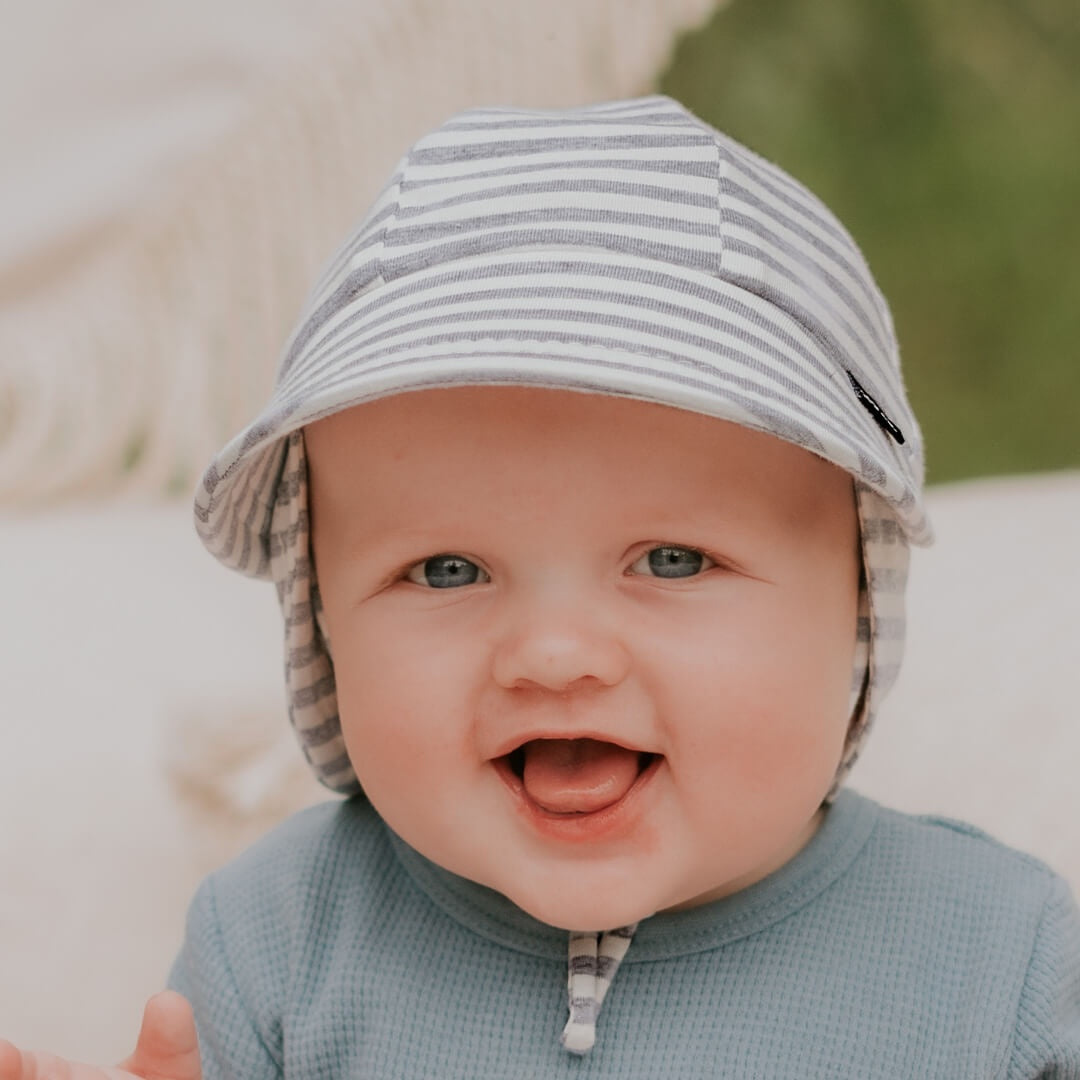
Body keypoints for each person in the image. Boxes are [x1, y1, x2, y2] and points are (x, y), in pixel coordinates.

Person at [2, 95, 1078, 1079]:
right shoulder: (280, 942)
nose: (556, 654)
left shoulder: (999, 961)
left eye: (671, 560)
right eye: (447, 570)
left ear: (860, 601)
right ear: (319, 626)